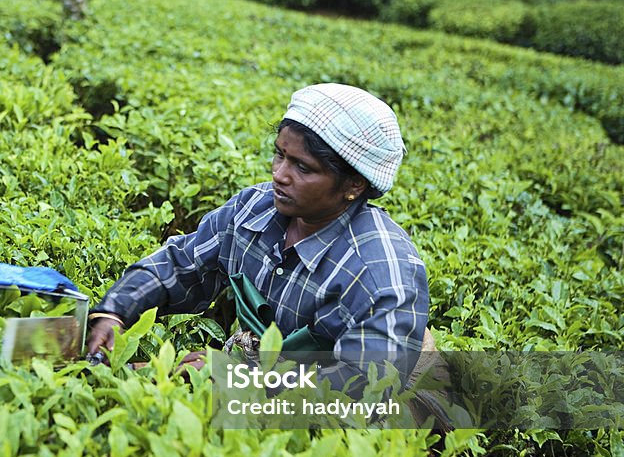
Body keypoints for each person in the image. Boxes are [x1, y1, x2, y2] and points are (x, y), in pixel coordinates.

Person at [86, 83, 430, 383]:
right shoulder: (256, 207)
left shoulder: (380, 274)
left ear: (354, 184)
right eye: (280, 155)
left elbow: (364, 387)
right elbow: (180, 266)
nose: (280, 174)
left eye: (302, 167)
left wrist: (233, 377)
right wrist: (114, 312)